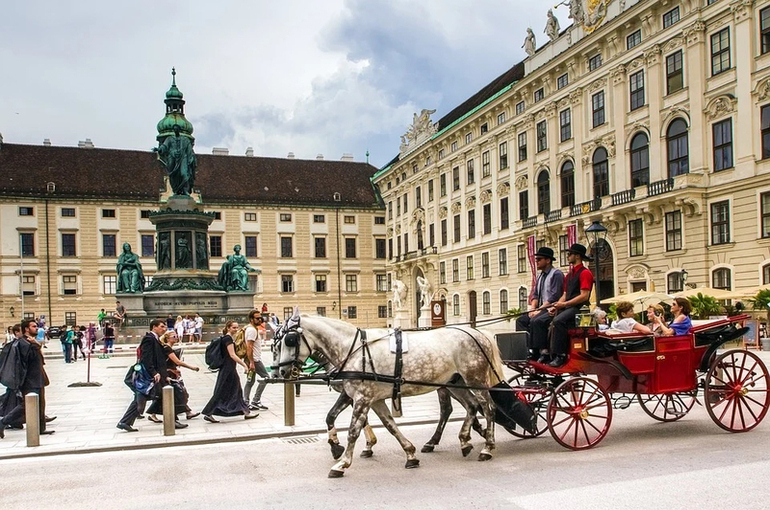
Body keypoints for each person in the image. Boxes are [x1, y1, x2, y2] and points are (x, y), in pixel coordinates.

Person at [0, 319, 53, 438]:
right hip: (30, 380)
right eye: (33, 326)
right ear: (26, 329)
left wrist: (36, 344)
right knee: (26, 405)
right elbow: (28, 361)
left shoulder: (29, 342)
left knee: (40, 404)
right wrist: (36, 345)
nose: (36, 328)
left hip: (37, 378)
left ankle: (41, 428)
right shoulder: (24, 343)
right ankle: (3, 422)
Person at [546, 243, 595, 367]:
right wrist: (556, 305)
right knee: (547, 321)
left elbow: (584, 295)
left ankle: (561, 355)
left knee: (558, 321)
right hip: (569, 307)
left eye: (570, 254)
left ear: (577, 256)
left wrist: (564, 304)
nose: (568, 256)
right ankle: (547, 353)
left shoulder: (585, 273)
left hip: (580, 309)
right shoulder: (569, 275)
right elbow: (565, 294)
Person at [117, 319, 169, 432]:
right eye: (162, 326)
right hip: (150, 375)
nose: (164, 329)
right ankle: (171, 419)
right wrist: (154, 372)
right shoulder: (149, 339)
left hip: (156, 374)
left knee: (144, 397)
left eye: (165, 327)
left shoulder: (155, 339)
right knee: (146, 397)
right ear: (154, 327)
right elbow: (146, 357)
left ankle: (125, 422)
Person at [202, 321, 259, 423]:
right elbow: (232, 355)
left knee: (234, 390)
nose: (236, 329)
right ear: (228, 328)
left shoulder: (226, 338)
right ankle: (208, 412)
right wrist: (244, 365)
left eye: (237, 327)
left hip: (228, 368)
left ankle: (246, 412)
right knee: (223, 391)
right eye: (233, 327)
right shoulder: (228, 339)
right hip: (228, 369)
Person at [517, 247, 565, 361]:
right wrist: (533, 308)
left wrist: (539, 310)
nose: (536, 261)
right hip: (541, 309)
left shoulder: (556, 274)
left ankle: (544, 351)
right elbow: (535, 294)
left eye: (539, 259)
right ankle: (529, 348)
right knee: (521, 321)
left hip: (552, 308)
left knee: (537, 321)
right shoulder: (540, 276)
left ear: (548, 260)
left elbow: (555, 295)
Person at [146, 331, 200, 424]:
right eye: (173, 336)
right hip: (168, 375)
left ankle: (187, 412)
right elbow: (178, 362)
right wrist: (192, 368)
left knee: (175, 394)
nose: (176, 337)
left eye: (176, 336)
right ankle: (184, 413)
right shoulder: (167, 348)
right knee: (179, 393)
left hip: (171, 373)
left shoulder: (168, 347)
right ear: (168, 338)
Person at [243, 310, 269, 411]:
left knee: (250, 381)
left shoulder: (251, 329)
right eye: (257, 318)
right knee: (266, 377)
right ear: (251, 319)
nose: (260, 320)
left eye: (260, 318)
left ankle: (246, 402)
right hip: (254, 360)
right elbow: (249, 346)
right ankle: (255, 401)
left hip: (252, 359)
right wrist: (252, 362)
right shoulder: (252, 330)